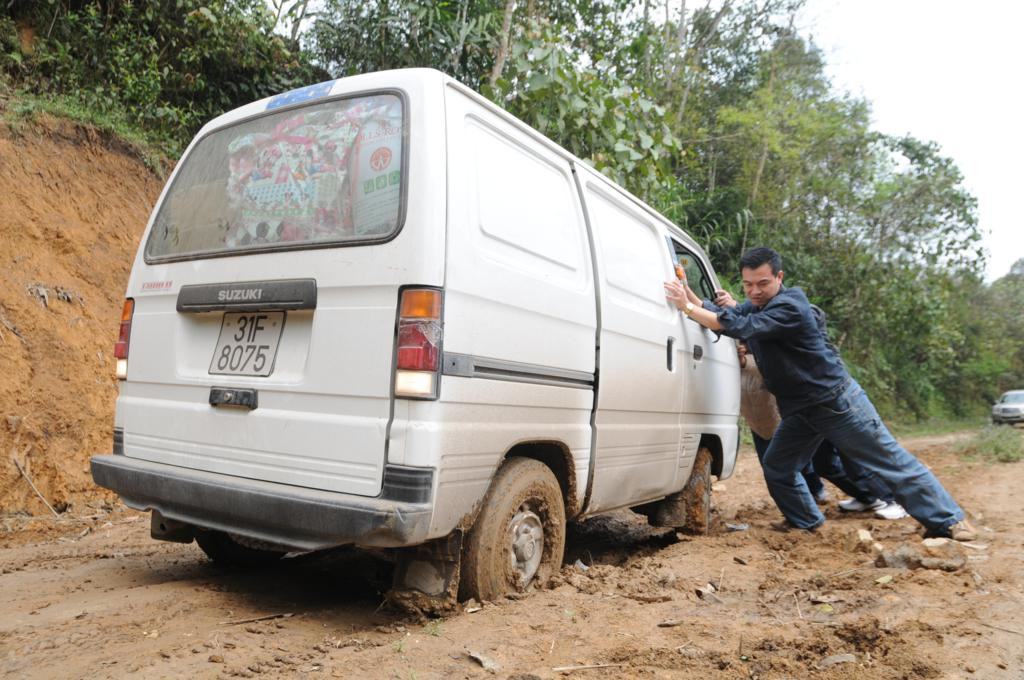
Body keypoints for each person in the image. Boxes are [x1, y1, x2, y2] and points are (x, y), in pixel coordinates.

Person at [664, 247, 974, 540]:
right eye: (748, 285)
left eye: (762, 283)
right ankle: (806, 522)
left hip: (835, 402)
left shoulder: (790, 306)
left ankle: (950, 520)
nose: (754, 291)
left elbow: (740, 326)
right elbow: (727, 313)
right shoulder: (759, 304)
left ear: (779, 278)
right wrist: (686, 291)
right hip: (799, 409)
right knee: (778, 466)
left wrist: (686, 306)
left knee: (888, 461)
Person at [739, 342, 907, 520]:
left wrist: (748, 356)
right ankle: (867, 497)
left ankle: (895, 500)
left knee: (856, 458)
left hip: (826, 398)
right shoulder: (757, 338)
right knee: (825, 464)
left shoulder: (785, 332)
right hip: (804, 408)